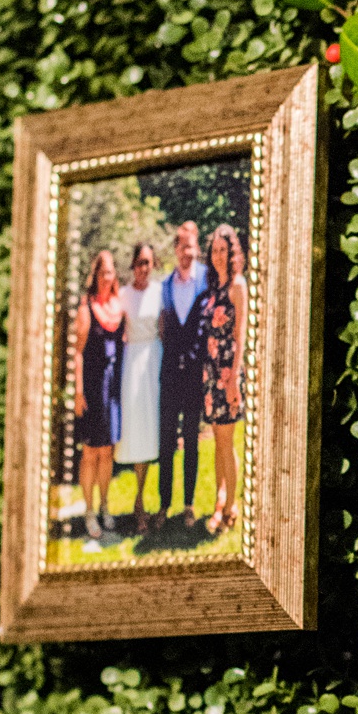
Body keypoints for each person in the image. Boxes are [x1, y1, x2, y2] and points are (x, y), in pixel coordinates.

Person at [156, 220, 208, 531]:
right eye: (182, 246)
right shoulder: (165, 286)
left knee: (191, 440)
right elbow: (164, 329)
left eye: (191, 246)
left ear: (196, 248)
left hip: (194, 377)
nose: (187, 252)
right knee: (166, 442)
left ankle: (188, 505)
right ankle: (164, 504)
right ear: (176, 249)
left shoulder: (206, 282)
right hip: (170, 375)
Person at [72, 249, 124, 544]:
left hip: (113, 387)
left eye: (111, 272)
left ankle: (105, 505)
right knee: (90, 452)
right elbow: (77, 353)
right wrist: (78, 392)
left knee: (108, 451)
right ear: (96, 275)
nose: (108, 277)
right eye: (104, 272)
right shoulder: (86, 308)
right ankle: (88, 511)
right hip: (92, 388)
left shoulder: (117, 308)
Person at [202, 223, 248, 540]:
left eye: (224, 250)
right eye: (215, 251)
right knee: (218, 443)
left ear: (232, 253)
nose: (219, 256)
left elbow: (240, 335)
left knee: (226, 442)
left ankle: (231, 505)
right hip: (211, 373)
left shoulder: (237, 286)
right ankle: (220, 500)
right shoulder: (213, 287)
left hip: (228, 374)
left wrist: (234, 380)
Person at [116, 242, 163, 537]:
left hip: (155, 360)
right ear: (132, 265)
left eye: (147, 262)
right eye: (139, 263)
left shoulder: (160, 292)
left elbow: (167, 327)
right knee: (136, 429)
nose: (143, 268)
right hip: (133, 362)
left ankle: (160, 503)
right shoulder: (123, 294)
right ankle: (139, 500)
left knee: (156, 429)